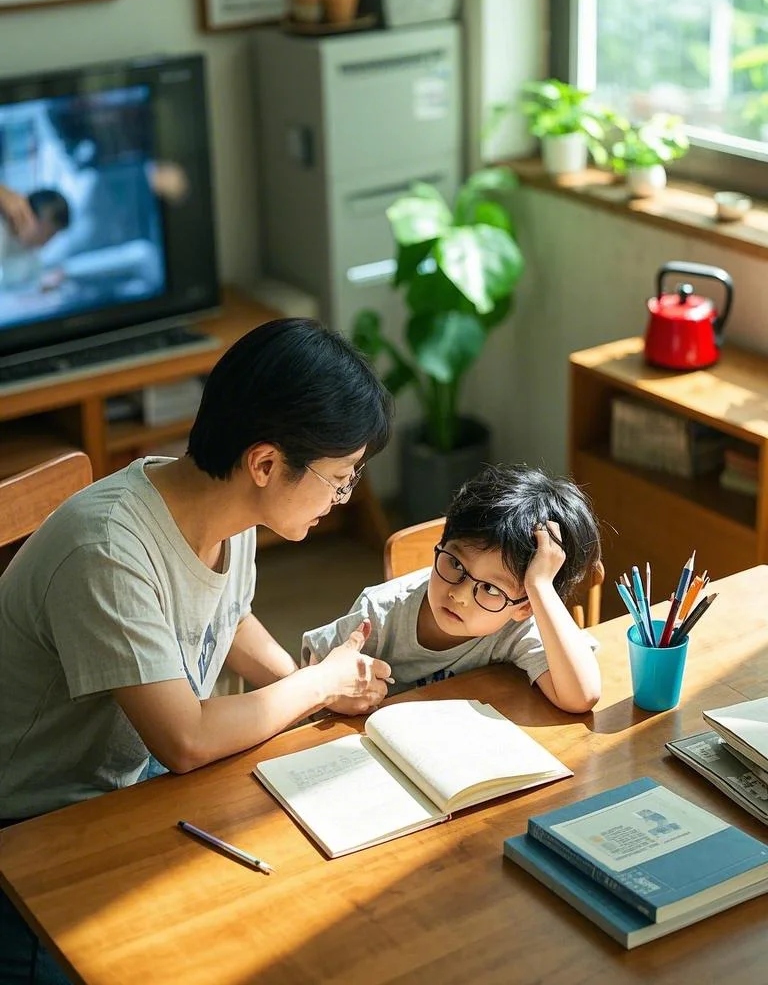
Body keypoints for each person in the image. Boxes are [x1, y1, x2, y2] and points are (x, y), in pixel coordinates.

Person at [0, 316, 393, 985]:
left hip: (126, 793)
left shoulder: (220, 509)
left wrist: (321, 687)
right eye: (339, 479)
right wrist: (318, 686)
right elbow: (184, 738)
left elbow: (226, 619)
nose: (340, 497)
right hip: (32, 834)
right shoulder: (107, 549)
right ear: (265, 463)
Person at [302, 463, 603, 714]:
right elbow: (309, 677)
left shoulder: (519, 624)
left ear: (525, 607)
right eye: (456, 565)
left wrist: (540, 587)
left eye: (489, 588)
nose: (458, 595)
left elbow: (582, 696)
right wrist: (336, 697)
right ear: (440, 545)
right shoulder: (379, 613)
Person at [0, 185, 70, 288]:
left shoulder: (30, 255)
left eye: (50, 237)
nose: (43, 242)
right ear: (26, 213)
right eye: (44, 232)